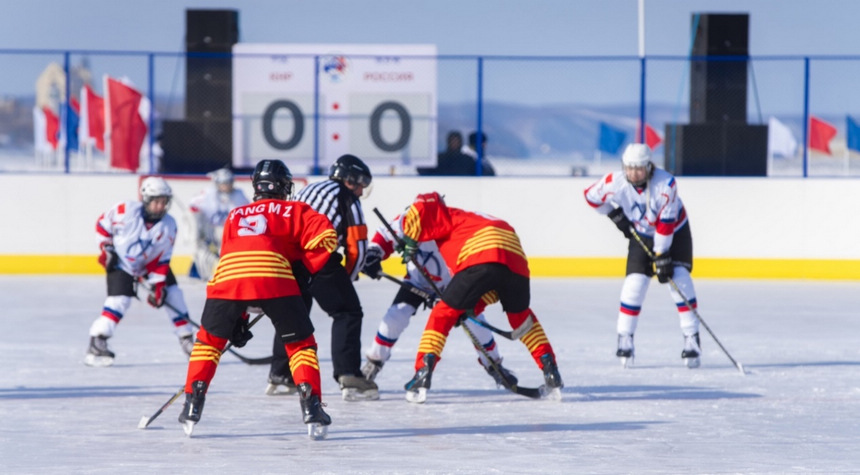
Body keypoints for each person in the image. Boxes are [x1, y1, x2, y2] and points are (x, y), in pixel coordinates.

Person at [178, 159, 336, 438]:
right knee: (300, 346)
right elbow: (326, 238)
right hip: (275, 278)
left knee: (208, 343)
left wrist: (237, 319)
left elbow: (235, 261)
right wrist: (303, 270)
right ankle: (312, 407)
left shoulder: (236, 214)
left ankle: (192, 403)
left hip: (227, 280)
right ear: (284, 187)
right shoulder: (295, 209)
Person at [384, 192, 564, 403]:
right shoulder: (467, 218)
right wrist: (467, 309)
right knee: (521, 319)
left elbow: (424, 202)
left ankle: (422, 372)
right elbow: (486, 287)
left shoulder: (439, 213)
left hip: (481, 254)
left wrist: (411, 240)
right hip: (514, 258)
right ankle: (550, 369)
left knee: (442, 314)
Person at [266, 154, 379, 401]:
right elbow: (356, 247)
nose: (361, 191)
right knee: (348, 312)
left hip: (287, 258)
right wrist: (351, 274)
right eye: (360, 184)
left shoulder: (310, 189)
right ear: (349, 180)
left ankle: (281, 374)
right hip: (317, 258)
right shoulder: (346, 197)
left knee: (294, 313)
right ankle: (348, 375)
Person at [359, 218, 518, 389]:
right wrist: (374, 254)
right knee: (395, 316)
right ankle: (374, 362)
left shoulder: (454, 228)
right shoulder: (410, 219)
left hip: (453, 284)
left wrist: (458, 296)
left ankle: (494, 365)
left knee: (475, 321)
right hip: (417, 281)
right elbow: (384, 234)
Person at [583, 143, 702, 368]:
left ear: (649, 167)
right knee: (634, 284)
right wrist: (615, 215)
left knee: (679, 279)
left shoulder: (665, 184)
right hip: (641, 234)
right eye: (629, 168)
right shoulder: (613, 182)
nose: (633, 173)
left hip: (675, 233)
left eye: (639, 168)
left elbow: (666, 225)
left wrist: (662, 255)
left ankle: (691, 338)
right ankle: (625, 337)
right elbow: (590, 196)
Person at [85, 177, 194, 366]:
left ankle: (187, 339)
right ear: (145, 199)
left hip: (150, 265)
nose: (161, 206)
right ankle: (97, 340)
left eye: (164, 202)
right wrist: (106, 248)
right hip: (121, 264)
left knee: (173, 294)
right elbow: (103, 225)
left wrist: (158, 285)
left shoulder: (169, 225)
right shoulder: (124, 211)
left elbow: (163, 258)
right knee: (119, 301)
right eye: (156, 201)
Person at [188, 167, 250, 280]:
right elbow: (194, 207)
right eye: (223, 183)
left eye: (229, 182)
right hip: (211, 230)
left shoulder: (239, 195)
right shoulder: (208, 193)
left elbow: (247, 214)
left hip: (229, 232)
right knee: (201, 248)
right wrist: (202, 230)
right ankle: (196, 270)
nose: (226, 186)